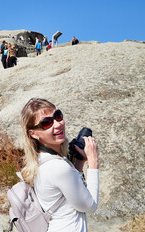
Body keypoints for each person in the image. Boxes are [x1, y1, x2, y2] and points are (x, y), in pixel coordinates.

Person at [20, 98, 99, 232]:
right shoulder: (58, 167)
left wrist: (79, 163)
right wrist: (93, 162)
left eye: (58, 116)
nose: (57, 124)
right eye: (46, 123)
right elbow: (90, 206)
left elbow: (71, 192)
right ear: (33, 134)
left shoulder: (43, 160)